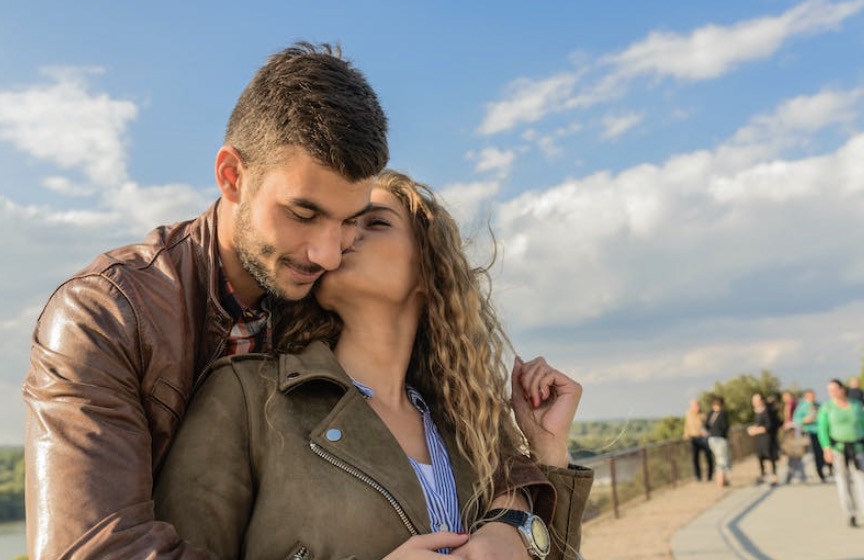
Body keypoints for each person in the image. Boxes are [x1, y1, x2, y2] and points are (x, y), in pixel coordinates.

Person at [22, 44, 553, 560]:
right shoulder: (104, 315)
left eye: (349, 220)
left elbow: (479, 438)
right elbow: (92, 550)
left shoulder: (318, 308)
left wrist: (516, 517)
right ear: (232, 176)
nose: (328, 252)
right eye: (303, 214)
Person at [154, 170, 594, 559]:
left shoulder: (469, 429)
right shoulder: (247, 398)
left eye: (375, 222)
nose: (344, 237)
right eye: (343, 225)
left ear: (429, 270)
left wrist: (548, 450)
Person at [817, 378, 864, 528]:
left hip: (857, 447)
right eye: (829, 390)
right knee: (843, 481)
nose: (832, 393)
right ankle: (850, 514)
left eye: (834, 389)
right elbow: (822, 429)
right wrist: (826, 448)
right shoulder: (827, 408)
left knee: (861, 480)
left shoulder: (856, 405)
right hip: (838, 449)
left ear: (842, 389)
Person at [793, 389, 828, 483]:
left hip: (820, 431)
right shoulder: (802, 406)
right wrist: (805, 420)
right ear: (806, 396)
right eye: (810, 396)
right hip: (810, 431)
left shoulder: (819, 405)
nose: (812, 398)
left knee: (822, 451)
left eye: (813, 396)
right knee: (814, 453)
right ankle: (818, 472)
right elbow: (796, 418)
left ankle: (823, 469)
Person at [747, 392, 779, 486]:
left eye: (756, 400)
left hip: (767, 438)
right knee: (760, 456)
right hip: (759, 439)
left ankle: (774, 477)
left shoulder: (767, 411)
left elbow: (769, 425)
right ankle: (763, 475)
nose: (754, 402)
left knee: (770, 456)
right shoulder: (757, 411)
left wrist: (756, 430)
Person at [683, 399, 713, 482]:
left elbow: (708, 426)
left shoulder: (704, 414)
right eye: (694, 405)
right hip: (693, 438)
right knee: (695, 458)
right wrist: (686, 434)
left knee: (708, 457)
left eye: (697, 405)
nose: (696, 407)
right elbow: (686, 425)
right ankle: (698, 476)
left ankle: (709, 476)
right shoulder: (688, 414)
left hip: (703, 438)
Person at [705, 396, 731, 488]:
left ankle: (721, 480)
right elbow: (725, 427)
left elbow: (706, 425)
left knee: (718, 459)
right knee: (722, 460)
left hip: (711, 439)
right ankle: (721, 481)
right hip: (720, 439)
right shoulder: (723, 414)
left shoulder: (710, 414)